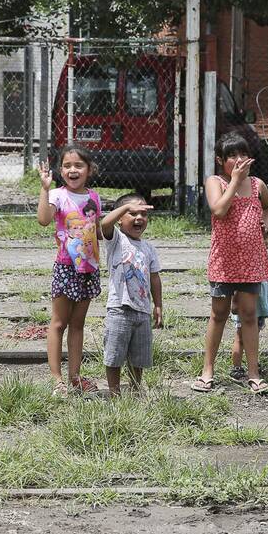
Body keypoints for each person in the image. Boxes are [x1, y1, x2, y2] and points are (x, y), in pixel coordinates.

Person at [192, 131, 268, 394]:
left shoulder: (258, 184)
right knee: (218, 314)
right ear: (220, 160)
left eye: (242, 154)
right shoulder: (215, 182)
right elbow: (219, 210)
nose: (238, 160)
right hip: (224, 262)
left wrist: (266, 225)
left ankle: (253, 372)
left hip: (250, 261)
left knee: (249, 315)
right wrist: (235, 181)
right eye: (232, 156)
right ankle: (207, 370)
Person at [36, 146, 102, 396]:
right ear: (60, 170)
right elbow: (43, 220)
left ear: (89, 169)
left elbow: (96, 232)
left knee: (78, 324)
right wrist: (44, 189)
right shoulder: (56, 195)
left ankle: (75, 377)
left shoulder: (94, 198)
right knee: (58, 323)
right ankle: (57, 380)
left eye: (78, 165)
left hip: (88, 268)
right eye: (67, 166)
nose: (72, 170)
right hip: (66, 268)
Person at [100, 193, 163, 396]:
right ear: (120, 218)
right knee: (114, 353)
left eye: (143, 214)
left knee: (139, 356)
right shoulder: (117, 239)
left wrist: (158, 305)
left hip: (142, 310)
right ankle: (114, 391)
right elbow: (104, 224)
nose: (139, 218)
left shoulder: (148, 248)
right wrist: (121, 209)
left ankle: (136, 389)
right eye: (132, 213)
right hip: (119, 308)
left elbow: (155, 278)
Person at [229, 281, 268, 381]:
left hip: (258, 308)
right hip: (245, 308)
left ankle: (252, 364)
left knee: (252, 338)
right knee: (240, 338)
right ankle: (237, 367)